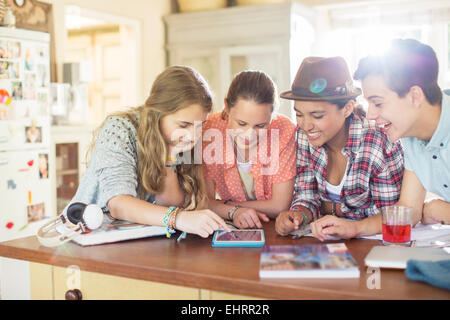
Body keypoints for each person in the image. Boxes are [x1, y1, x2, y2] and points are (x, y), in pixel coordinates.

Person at [63, 66, 230, 238]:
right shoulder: (119, 129)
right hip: (88, 235)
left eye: (200, 125)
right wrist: (179, 218)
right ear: (157, 114)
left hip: (136, 239)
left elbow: (169, 204)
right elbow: (118, 204)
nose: (193, 136)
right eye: (183, 125)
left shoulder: (182, 139)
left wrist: (170, 154)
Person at [275, 56, 404, 240]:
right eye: (299, 114)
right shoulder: (304, 136)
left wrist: (335, 211)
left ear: (347, 108)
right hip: (326, 243)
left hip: (375, 245)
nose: (306, 125)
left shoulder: (378, 142)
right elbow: (307, 195)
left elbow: (392, 213)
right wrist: (298, 214)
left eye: (317, 115)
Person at [354, 39, 450, 225]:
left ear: (415, 96)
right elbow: (409, 210)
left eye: (378, 103)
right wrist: (354, 229)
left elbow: (427, 211)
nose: (370, 115)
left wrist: (437, 209)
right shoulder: (411, 136)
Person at [202, 70, 297, 229]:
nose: (249, 135)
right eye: (241, 123)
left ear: (272, 114)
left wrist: (227, 207)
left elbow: (279, 206)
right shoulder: (210, 130)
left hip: (273, 226)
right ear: (227, 107)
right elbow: (204, 202)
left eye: (260, 126)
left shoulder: (284, 131)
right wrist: (234, 212)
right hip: (231, 223)